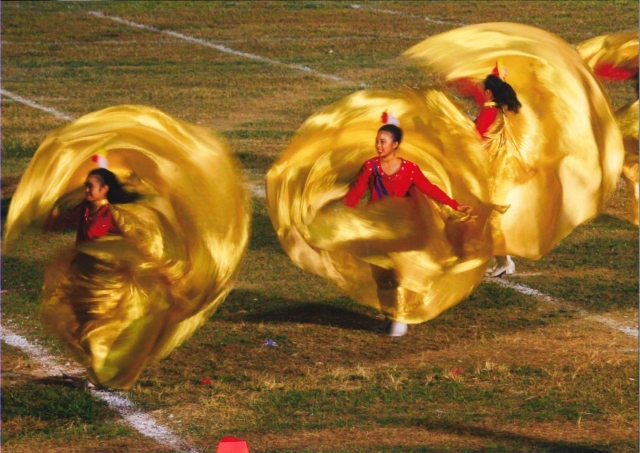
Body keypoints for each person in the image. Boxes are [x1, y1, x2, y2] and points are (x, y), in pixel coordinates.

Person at [344, 123, 471, 336]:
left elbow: (429, 188)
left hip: (402, 228)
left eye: (383, 142)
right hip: (377, 227)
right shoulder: (370, 167)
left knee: (399, 274)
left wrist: (454, 205)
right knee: (381, 275)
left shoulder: (410, 169)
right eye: (377, 141)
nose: (378, 145)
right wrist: (345, 215)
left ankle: (400, 320)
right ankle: (391, 316)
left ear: (395, 144)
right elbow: (356, 192)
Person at [476, 73, 522, 277]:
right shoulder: (500, 112)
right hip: (499, 172)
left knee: (491, 220)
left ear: (488, 92)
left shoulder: (488, 113)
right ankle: (504, 261)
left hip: (492, 175)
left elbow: (476, 140)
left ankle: (504, 262)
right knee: (490, 220)